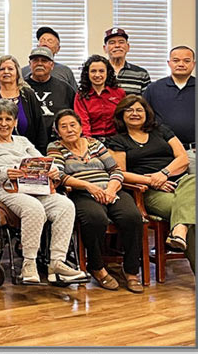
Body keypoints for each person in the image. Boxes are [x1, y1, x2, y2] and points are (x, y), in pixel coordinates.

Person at [0, 100, 88, 285]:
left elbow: (43, 160)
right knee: (34, 208)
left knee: (65, 205)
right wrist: (2, 172)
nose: (3, 123)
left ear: (15, 122)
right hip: (6, 189)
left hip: (33, 186)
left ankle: (57, 263)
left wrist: (53, 169)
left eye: (8, 119)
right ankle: (29, 264)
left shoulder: (23, 141)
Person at [48, 110, 144, 293]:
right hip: (81, 193)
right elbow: (59, 176)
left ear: (80, 127)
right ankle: (97, 268)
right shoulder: (55, 147)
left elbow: (115, 170)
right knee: (95, 218)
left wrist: (110, 189)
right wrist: (88, 186)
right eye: (64, 127)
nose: (69, 130)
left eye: (72, 125)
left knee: (132, 217)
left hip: (110, 189)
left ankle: (131, 271)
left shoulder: (94, 144)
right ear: (58, 132)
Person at [106, 96, 194, 272]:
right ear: (121, 115)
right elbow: (120, 173)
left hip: (182, 182)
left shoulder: (161, 131)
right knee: (190, 214)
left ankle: (179, 229)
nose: (135, 114)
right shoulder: (117, 140)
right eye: (129, 110)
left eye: (139, 110)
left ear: (147, 113)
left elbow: (183, 158)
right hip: (150, 190)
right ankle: (181, 229)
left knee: (194, 179)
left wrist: (164, 174)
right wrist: (153, 181)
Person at [0, 56, 47, 154]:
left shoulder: (28, 94)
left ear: (17, 73)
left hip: (25, 153)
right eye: (2, 69)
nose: (6, 72)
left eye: (10, 69)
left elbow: (39, 125)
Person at [143, 45, 195, 174]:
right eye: (176, 60)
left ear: (193, 64)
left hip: (193, 151)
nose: (181, 64)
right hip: (163, 153)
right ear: (169, 63)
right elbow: (144, 120)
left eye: (186, 61)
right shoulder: (153, 89)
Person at [24, 46, 76, 143]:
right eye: (35, 60)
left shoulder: (65, 88)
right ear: (29, 64)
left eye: (44, 61)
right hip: (27, 142)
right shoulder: (20, 88)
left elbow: (75, 116)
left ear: (52, 65)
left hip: (59, 142)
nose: (39, 64)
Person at [74, 55, 125, 142]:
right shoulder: (81, 96)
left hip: (117, 139)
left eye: (101, 71)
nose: (97, 75)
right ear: (87, 73)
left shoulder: (119, 93)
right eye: (93, 71)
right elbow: (83, 122)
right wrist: (89, 143)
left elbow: (124, 118)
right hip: (92, 140)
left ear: (107, 73)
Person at [20, 27, 78, 91]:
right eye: (42, 40)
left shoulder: (65, 71)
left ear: (58, 49)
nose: (45, 43)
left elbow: (75, 96)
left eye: (50, 41)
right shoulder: (23, 72)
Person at [103, 27, 151, 96]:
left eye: (121, 42)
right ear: (105, 48)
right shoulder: (98, 73)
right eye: (112, 42)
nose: (117, 45)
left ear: (128, 47)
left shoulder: (141, 74)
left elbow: (146, 103)